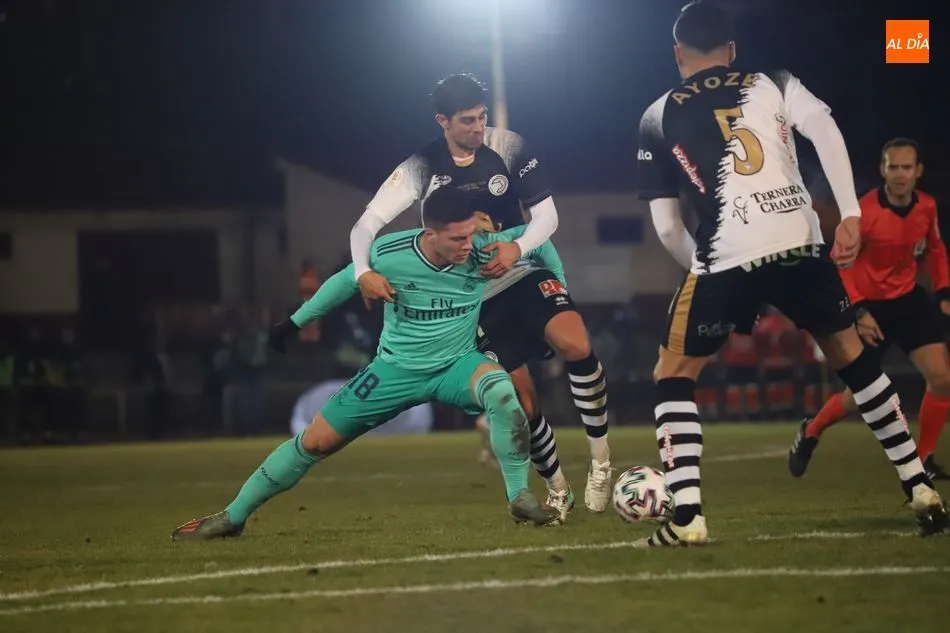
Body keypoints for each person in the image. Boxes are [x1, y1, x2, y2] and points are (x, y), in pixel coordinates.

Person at [636, 0, 947, 546]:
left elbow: (665, 226)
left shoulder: (656, 115)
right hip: (800, 242)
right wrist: (850, 213)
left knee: (672, 376)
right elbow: (823, 129)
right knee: (856, 363)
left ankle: (686, 517)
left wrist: (707, 271)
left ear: (677, 54)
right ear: (732, 51)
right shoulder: (772, 81)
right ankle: (919, 485)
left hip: (726, 252)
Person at [170, 186, 567, 541]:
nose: (470, 245)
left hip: (457, 365)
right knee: (313, 442)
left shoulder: (484, 249)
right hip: (393, 371)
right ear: (430, 235)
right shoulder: (390, 255)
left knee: (501, 389)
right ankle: (233, 516)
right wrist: (293, 324)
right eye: (459, 238)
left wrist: (557, 291)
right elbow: (343, 283)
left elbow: (538, 240)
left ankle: (519, 496)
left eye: (471, 234)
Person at [349, 72, 611, 514]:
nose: (478, 127)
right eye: (467, 120)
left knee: (577, 342)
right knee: (522, 402)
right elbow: (366, 225)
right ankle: (559, 488)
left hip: (519, 271)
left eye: (481, 116)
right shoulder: (421, 166)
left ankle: (602, 461)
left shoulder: (508, 146)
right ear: (442, 121)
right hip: (471, 298)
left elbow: (547, 217)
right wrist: (361, 272)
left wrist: (517, 247)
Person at [789, 138, 950, 480]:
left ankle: (923, 460)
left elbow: (935, 249)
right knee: (858, 397)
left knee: (942, 378)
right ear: (883, 170)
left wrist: (943, 290)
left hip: (908, 300)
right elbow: (840, 264)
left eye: (907, 167)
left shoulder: (927, 207)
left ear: (918, 171)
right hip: (868, 306)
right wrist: (859, 312)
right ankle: (812, 429)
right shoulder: (864, 213)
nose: (900, 174)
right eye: (893, 167)